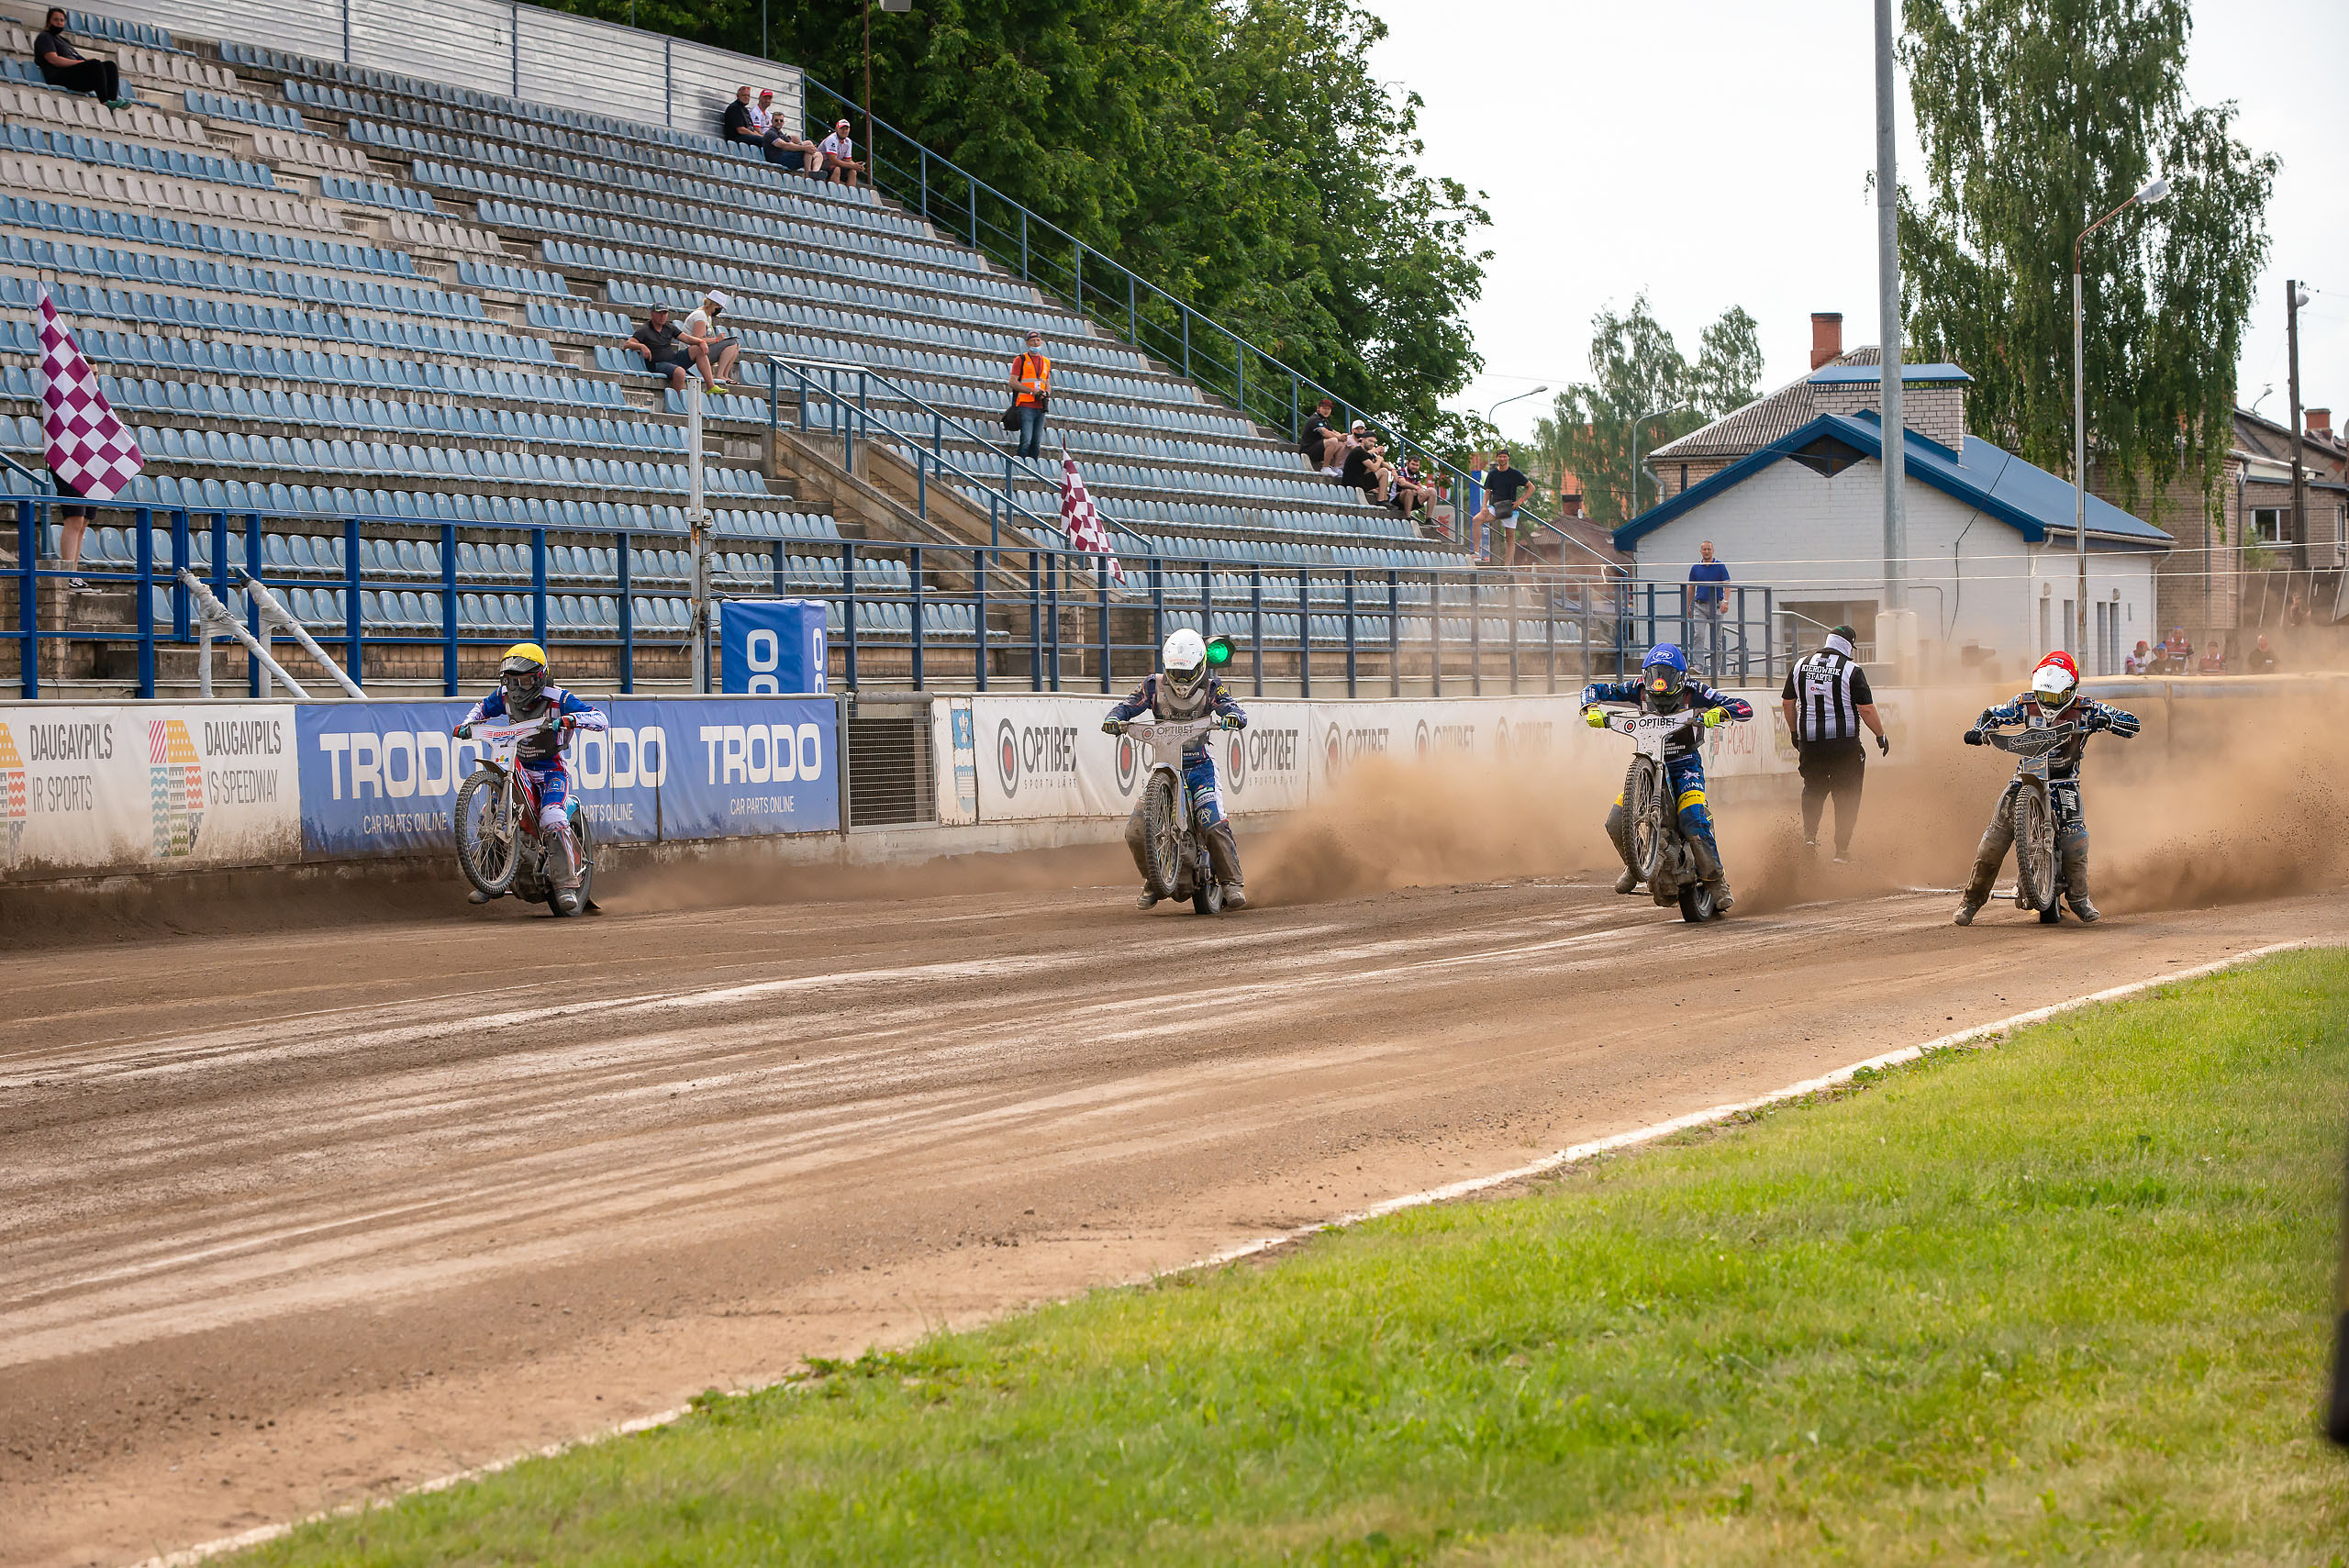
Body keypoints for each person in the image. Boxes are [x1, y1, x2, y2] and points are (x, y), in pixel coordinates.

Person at [1953, 651, 2139, 926]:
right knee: (1993, 840)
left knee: (2075, 840)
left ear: (2072, 690)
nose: (2048, 703)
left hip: (2065, 782)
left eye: (2056, 697)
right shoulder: (2025, 703)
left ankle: (2079, 899)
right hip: (2025, 778)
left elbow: (2132, 723)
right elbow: (1992, 714)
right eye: (2044, 695)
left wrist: (2108, 722)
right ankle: (1971, 901)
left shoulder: (2087, 708)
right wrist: (1978, 730)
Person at [1583, 643, 1754, 910]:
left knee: (1693, 818)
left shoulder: (1696, 692)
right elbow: (1593, 689)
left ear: (1681, 678)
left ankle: (1716, 881)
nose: (1659, 682)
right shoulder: (1637, 688)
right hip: (1648, 764)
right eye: (1654, 674)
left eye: (1666, 675)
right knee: (1616, 821)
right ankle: (1637, 861)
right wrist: (1591, 708)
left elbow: (1744, 707)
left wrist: (1719, 712)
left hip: (1684, 763)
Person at [452, 643, 609, 916]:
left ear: (539, 677)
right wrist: (467, 725)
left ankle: (565, 885)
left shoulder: (557, 698)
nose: (517, 687)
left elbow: (600, 718)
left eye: (523, 680)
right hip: (519, 765)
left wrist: (570, 720)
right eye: (512, 680)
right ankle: (491, 881)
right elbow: (480, 709)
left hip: (550, 772)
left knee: (552, 817)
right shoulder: (503, 696)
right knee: (490, 812)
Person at [1105, 628, 1248, 910]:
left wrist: (1232, 717)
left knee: (1212, 821)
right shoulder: (1152, 685)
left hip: (1199, 766)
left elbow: (1232, 708)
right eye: (1176, 673)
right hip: (1165, 766)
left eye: (1187, 673)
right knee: (1135, 830)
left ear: (1200, 668)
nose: (1181, 680)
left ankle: (1232, 881)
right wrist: (1114, 718)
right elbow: (1127, 706)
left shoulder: (1211, 686)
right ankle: (1153, 878)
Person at [1780, 624, 1887, 863]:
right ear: (1849, 646)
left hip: (1811, 743)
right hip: (1844, 746)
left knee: (1813, 788)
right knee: (1847, 795)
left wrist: (1795, 733)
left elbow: (1788, 704)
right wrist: (1880, 735)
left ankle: (1809, 838)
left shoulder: (1799, 666)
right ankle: (1841, 851)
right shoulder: (1852, 670)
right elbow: (1866, 709)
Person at [34, 8, 130, 108]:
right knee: (95, 64)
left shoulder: (64, 41)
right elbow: (54, 60)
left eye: (62, 20)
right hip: (58, 75)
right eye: (56, 20)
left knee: (110, 66)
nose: (59, 23)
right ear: (49, 21)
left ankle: (112, 101)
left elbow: (79, 58)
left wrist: (87, 62)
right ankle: (105, 102)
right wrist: (79, 63)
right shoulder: (45, 37)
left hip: (74, 75)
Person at [1473, 450, 1533, 567]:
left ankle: (1506, 567)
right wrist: (1484, 506)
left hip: (1510, 508)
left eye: (1504, 456)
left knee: (1510, 538)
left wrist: (1520, 501)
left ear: (1508, 458)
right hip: (1495, 507)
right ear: (1497, 458)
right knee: (1477, 519)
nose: (1502, 459)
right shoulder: (1492, 474)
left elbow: (1531, 487)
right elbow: (1487, 491)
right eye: (1500, 457)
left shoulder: (1515, 473)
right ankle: (1476, 552)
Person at [680, 290, 740, 395]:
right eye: (719, 307)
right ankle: (720, 375)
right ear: (713, 305)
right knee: (732, 343)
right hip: (692, 353)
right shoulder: (700, 316)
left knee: (736, 345)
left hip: (702, 350)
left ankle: (724, 375)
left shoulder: (707, 317)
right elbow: (697, 339)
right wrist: (717, 340)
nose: (719, 310)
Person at [748, 89, 823, 172]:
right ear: (772, 122)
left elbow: (789, 144)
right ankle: (808, 175)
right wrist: (805, 148)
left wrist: (808, 147)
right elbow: (785, 146)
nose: (779, 122)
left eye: (781, 121)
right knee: (807, 149)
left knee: (816, 152)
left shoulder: (770, 117)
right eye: (776, 120)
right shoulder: (768, 130)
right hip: (778, 155)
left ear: (784, 122)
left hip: (784, 151)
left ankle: (815, 172)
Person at [620, 304, 691, 391]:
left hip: (673, 361)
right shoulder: (645, 330)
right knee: (680, 372)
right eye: (660, 313)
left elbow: (687, 339)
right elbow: (627, 344)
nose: (663, 316)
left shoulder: (669, 327)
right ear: (652, 314)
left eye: (665, 313)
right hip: (656, 364)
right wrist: (641, 346)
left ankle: (710, 385)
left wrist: (701, 342)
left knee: (697, 349)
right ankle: (676, 401)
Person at [1007, 329, 1051, 460]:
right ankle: (1021, 465)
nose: (1036, 343)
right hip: (1026, 404)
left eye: (1038, 340)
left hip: (1040, 406)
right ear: (1027, 343)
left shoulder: (1046, 362)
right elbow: (1012, 382)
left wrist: (1046, 393)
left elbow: (1047, 382)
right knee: (1026, 439)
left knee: (1036, 443)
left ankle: (1033, 468)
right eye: (1032, 341)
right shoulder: (1021, 359)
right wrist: (1032, 391)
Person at [1687, 540, 1730, 620]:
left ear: (1713, 551)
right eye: (1704, 549)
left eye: (1709, 549)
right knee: (1699, 633)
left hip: (1716, 605)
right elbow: (1691, 587)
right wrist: (1687, 606)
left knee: (1717, 632)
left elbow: (1727, 584)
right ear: (1701, 551)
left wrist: (1726, 602)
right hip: (1699, 606)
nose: (1707, 552)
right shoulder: (1695, 567)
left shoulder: (1720, 566)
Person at [1299, 397, 1343, 473]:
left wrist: (1342, 436)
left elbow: (1333, 431)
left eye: (1328, 409)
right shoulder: (1315, 419)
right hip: (1308, 451)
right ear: (1318, 408)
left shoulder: (1325, 420)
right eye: (1324, 408)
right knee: (1333, 440)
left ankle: (1335, 468)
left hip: (1318, 450)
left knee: (1342, 443)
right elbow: (1325, 433)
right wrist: (1339, 437)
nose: (1327, 411)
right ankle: (1325, 468)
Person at [818, 119, 865, 188]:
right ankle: (833, 193)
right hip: (822, 162)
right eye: (842, 129)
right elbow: (833, 161)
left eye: (846, 129)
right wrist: (852, 166)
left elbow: (848, 160)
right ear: (836, 129)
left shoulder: (848, 141)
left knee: (853, 171)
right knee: (836, 169)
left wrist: (856, 166)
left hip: (834, 163)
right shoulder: (832, 139)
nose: (844, 131)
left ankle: (851, 195)